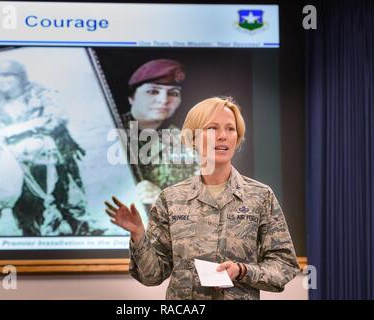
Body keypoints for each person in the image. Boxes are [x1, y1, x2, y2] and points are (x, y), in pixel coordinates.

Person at [105, 97, 300, 299]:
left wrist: (242, 271)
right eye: (212, 128)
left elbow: (284, 265)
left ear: (238, 138)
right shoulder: (171, 199)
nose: (223, 136)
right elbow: (152, 276)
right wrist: (138, 235)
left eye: (230, 129)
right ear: (192, 138)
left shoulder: (260, 196)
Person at [0, 60, 91, 236]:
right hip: (12, 149)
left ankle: (78, 227)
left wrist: (25, 128)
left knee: (13, 159)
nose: (3, 81)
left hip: (46, 145)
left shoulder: (40, 94)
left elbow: (57, 118)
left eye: (8, 76)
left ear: (20, 77)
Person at [121, 59, 199, 205]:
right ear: (131, 98)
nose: (164, 100)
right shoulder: (109, 132)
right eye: (153, 91)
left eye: (173, 93)